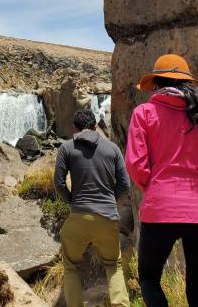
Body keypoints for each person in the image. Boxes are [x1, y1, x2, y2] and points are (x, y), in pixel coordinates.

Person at [125, 54, 198, 307]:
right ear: (189, 83)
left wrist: (155, 189)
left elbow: (135, 164)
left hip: (160, 209)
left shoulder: (144, 113)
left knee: (148, 279)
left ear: (157, 83)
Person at [54, 109, 131, 307]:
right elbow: (124, 183)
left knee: (71, 267)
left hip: (79, 216)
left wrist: (73, 202)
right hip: (107, 217)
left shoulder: (66, 148)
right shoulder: (112, 148)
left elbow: (59, 184)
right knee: (113, 266)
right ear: (95, 126)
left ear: (74, 128)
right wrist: (110, 201)